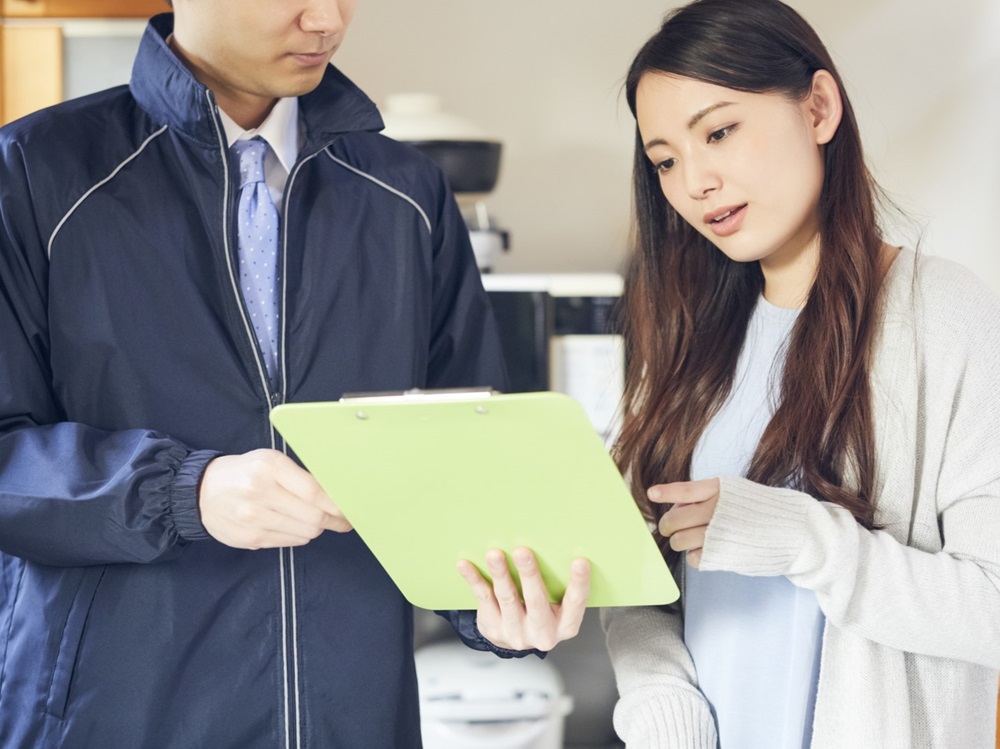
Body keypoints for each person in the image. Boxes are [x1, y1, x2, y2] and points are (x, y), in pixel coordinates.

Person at [0, 1, 588, 747]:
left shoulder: (409, 197)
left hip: (354, 719)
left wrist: (497, 607)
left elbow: (462, 462)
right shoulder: (33, 174)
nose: (328, 20)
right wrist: (187, 491)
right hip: (107, 719)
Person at [601, 0, 1000, 747]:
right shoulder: (687, 342)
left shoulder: (948, 317)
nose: (694, 183)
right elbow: (643, 582)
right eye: (664, 161)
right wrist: (661, 700)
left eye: (718, 132)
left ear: (818, 107)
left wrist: (805, 539)